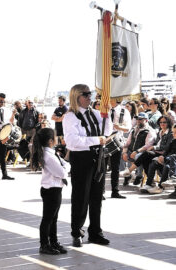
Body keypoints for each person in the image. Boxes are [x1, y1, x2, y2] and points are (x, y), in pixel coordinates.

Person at [62, 84, 112, 248]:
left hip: (98, 157)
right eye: (86, 95)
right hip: (82, 158)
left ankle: (95, 232)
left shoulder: (95, 113)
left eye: (90, 94)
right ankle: (77, 232)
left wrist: (108, 113)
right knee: (81, 197)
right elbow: (72, 142)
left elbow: (107, 130)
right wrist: (96, 140)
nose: (90, 98)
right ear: (76, 96)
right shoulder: (70, 117)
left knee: (97, 197)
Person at [30, 128, 68, 255]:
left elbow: (64, 165)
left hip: (54, 189)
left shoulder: (51, 153)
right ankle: (44, 244)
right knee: (48, 219)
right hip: (51, 190)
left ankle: (53, 242)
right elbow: (62, 172)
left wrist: (65, 166)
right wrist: (66, 167)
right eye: (56, 137)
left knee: (53, 218)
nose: (57, 138)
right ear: (51, 141)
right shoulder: (49, 156)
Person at [121, 112, 156, 186]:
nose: (138, 121)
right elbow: (127, 143)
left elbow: (147, 145)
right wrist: (124, 152)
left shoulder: (150, 130)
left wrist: (137, 151)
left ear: (146, 120)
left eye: (140, 119)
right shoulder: (134, 129)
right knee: (121, 153)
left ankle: (139, 175)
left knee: (137, 156)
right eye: (137, 119)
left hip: (142, 152)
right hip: (132, 151)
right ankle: (128, 175)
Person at [108, 99, 132, 199]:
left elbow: (128, 128)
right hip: (103, 140)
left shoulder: (124, 111)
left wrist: (118, 127)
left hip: (117, 140)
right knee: (102, 167)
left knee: (115, 168)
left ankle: (115, 191)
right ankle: (100, 193)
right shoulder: (103, 109)